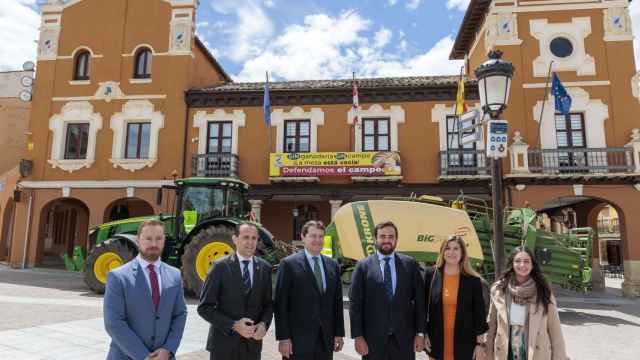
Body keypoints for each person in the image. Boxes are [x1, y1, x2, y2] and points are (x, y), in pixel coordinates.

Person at [104, 219, 187, 360]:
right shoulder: (118, 277)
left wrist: (168, 349)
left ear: (164, 240)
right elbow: (114, 323)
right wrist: (145, 356)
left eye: (158, 238)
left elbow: (180, 314)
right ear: (138, 240)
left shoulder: (175, 275)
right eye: (148, 239)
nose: (154, 244)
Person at [349, 221, 426, 360]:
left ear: (396, 239)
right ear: (375, 239)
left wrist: (420, 333)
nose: (387, 240)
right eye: (382, 236)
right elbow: (355, 304)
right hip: (372, 341)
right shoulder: (362, 266)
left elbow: (420, 301)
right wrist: (358, 336)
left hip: (404, 341)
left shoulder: (410, 264)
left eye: (391, 237)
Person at [198, 223, 274, 360]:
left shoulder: (264, 268)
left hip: (252, 347)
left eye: (254, 238)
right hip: (223, 346)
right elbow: (204, 308)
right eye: (245, 237)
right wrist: (233, 325)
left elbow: (268, 305)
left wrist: (264, 325)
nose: (250, 242)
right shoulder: (219, 267)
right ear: (235, 239)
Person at [274, 220, 345, 359]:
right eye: (313, 236)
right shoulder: (288, 264)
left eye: (320, 236)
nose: (317, 240)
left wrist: (338, 333)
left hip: (325, 339)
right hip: (297, 341)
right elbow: (280, 304)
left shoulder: (333, 265)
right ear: (303, 237)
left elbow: (337, 302)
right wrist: (283, 338)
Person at [485, 246, 568, 360]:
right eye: (518, 261)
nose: (522, 265)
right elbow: (491, 325)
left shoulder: (543, 291)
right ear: (512, 264)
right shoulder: (499, 290)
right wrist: (487, 354)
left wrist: (560, 357)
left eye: (526, 261)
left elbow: (555, 329)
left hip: (536, 354)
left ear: (532, 265)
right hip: (505, 353)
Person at [423, 235, 488, 360]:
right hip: (437, 344)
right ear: (442, 252)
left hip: (464, 346)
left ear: (462, 253)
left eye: (456, 249)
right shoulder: (430, 275)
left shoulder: (473, 281)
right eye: (447, 248)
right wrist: (424, 333)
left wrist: (480, 344)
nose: (451, 252)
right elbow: (423, 308)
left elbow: (479, 316)